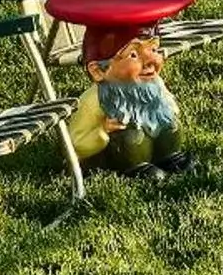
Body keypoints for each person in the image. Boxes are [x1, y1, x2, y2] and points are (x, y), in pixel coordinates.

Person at [69, 26, 193, 177]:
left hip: (150, 136)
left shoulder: (154, 84)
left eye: (153, 50)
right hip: (112, 156)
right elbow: (74, 143)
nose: (151, 61)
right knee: (131, 137)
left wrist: (167, 108)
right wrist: (102, 130)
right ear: (98, 71)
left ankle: (169, 158)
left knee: (170, 124)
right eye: (133, 55)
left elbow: (169, 104)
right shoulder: (94, 100)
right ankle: (136, 168)